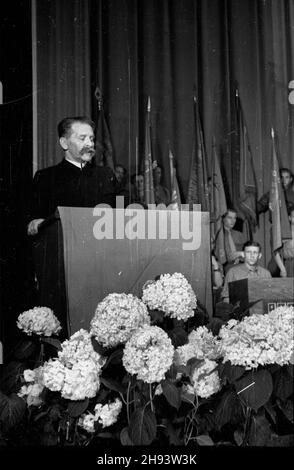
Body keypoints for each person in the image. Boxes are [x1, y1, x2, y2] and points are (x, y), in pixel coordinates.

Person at [27, 116, 117, 235]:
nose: (90, 144)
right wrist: (35, 222)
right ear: (64, 143)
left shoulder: (106, 174)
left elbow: (124, 205)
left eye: (91, 138)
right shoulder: (46, 177)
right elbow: (33, 218)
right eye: (82, 138)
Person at [213, 209, 246, 275]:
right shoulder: (218, 235)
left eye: (234, 218)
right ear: (223, 219)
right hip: (225, 267)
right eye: (229, 218)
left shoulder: (239, 235)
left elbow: (246, 252)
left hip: (241, 264)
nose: (233, 221)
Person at [273, 205, 294, 277]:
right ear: (290, 218)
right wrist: (282, 268)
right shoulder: (284, 233)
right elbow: (276, 251)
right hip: (290, 264)